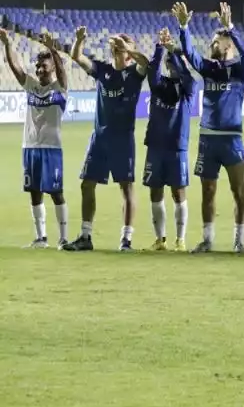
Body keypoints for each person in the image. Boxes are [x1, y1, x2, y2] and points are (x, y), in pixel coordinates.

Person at [176, 1, 244, 254]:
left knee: (238, 190)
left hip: (232, 139)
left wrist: (229, 27)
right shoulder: (208, 68)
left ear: (228, 45)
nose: (211, 44)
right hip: (208, 139)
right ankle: (207, 239)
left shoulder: (240, 71)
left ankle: (239, 240)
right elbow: (189, 52)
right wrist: (184, 26)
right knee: (208, 190)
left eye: (216, 41)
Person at [60, 28, 147, 252]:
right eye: (115, 46)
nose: (115, 49)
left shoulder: (134, 73)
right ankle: (86, 236)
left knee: (126, 188)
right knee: (87, 184)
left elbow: (146, 63)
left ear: (128, 53)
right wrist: (79, 40)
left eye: (121, 48)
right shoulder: (103, 70)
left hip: (123, 139)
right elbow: (77, 57)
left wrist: (127, 47)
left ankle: (126, 240)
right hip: (100, 137)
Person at [4, 29, 70, 249]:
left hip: (52, 148)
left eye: (45, 66)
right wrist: (7, 43)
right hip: (30, 147)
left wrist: (53, 49)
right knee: (34, 192)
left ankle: (63, 237)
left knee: (56, 193)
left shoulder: (59, 88)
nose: (40, 69)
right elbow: (16, 68)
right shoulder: (31, 86)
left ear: (52, 67)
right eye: (38, 66)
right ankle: (41, 238)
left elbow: (62, 72)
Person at [142, 27, 196, 251]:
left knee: (178, 191)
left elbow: (186, 74)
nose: (172, 65)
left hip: (177, 146)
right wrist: (159, 48)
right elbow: (151, 71)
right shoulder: (158, 84)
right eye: (170, 62)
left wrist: (174, 53)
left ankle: (180, 239)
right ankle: (160, 239)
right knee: (155, 191)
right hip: (155, 145)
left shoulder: (188, 87)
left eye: (175, 63)